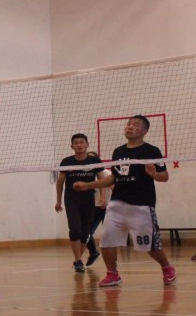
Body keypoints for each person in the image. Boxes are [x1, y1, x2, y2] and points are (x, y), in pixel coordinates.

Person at [74, 115, 176, 287]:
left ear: (144, 131)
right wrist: (88, 186)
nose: (129, 127)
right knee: (106, 241)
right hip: (116, 204)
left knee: (150, 246)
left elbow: (164, 176)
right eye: (128, 124)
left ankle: (167, 268)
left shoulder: (152, 151)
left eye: (135, 124)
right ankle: (113, 274)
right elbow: (113, 178)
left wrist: (153, 174)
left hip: (142, 206)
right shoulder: (118, 152)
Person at [55, 135, 106, 272]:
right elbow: (60, 182)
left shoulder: (94, 161)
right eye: (76, 143)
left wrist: (102, 197)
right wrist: (58, 200)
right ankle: (78, 260)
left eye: (82, 142)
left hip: (88, 199)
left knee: (85, 233)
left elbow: (102, 180)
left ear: (87, 145)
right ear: (71, 146)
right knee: (75, 229)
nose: (79, 145)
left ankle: (79, 260)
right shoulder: (67, 162)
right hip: (71, 199)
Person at [84, 151, 110, 267]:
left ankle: (112, 262)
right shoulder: (86, 174)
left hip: (107, 207)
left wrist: (105, 200)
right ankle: (94, 253)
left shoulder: (105, 173)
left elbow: (113, 187)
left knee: (109, 234)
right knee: (85, 233)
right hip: (93, 207)